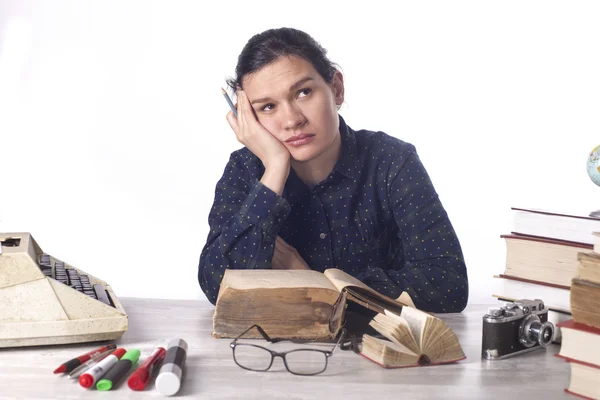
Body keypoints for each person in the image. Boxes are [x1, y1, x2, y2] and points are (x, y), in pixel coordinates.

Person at [198, 27, 468, 313]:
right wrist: (275, 167)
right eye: (267, 107)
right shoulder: (245, 170)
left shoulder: (391, 160)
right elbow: (217, 286)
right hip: (279, 351)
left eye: (303, 92)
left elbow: (447, 285)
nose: (291, 120)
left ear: (336, 89)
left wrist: (318, 286)